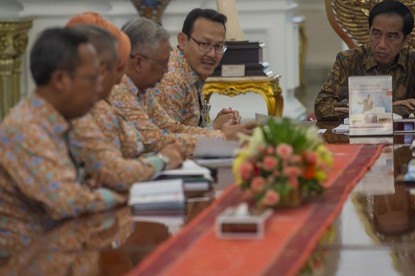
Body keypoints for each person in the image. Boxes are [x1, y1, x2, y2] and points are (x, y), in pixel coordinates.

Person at [0, 28, 125, 255]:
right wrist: (120, 196)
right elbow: (68, 202)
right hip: (27, 261)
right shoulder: (26, 128)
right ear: (59, 80)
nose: (99, 88)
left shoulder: (57, 122)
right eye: (92, 78)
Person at [65, 13, 184, 191]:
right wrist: (162, 161)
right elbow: (113, 174)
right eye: (116, 68)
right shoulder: (80, 112)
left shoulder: (96, 104)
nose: (118, 81)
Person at [110, 17, 253, 157]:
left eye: (218, 46)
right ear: (139, 62)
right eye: (204, 44)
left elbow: (171, 127)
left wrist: (218, 132)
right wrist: (221, 137)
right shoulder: (121, 90)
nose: (166, 70)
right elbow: (155, 141)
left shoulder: (142, 90)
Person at [314, 0, 415, 121]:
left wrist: (363, 110)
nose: (382, 44)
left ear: (405, 40)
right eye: (376, 34)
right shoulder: (348, 60)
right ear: (369, 31)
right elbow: (322, 107)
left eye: (392, 36)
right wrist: (389, 106)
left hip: (404, 138)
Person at [150, 8, 239, 129]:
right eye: (204, 44)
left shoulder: (191, 71)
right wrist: (214, 129)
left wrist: (216, 124)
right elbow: (167, 141)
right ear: (183, 41)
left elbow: (188, 128)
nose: (212, 54)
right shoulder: (171, 80)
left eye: (219, 46)